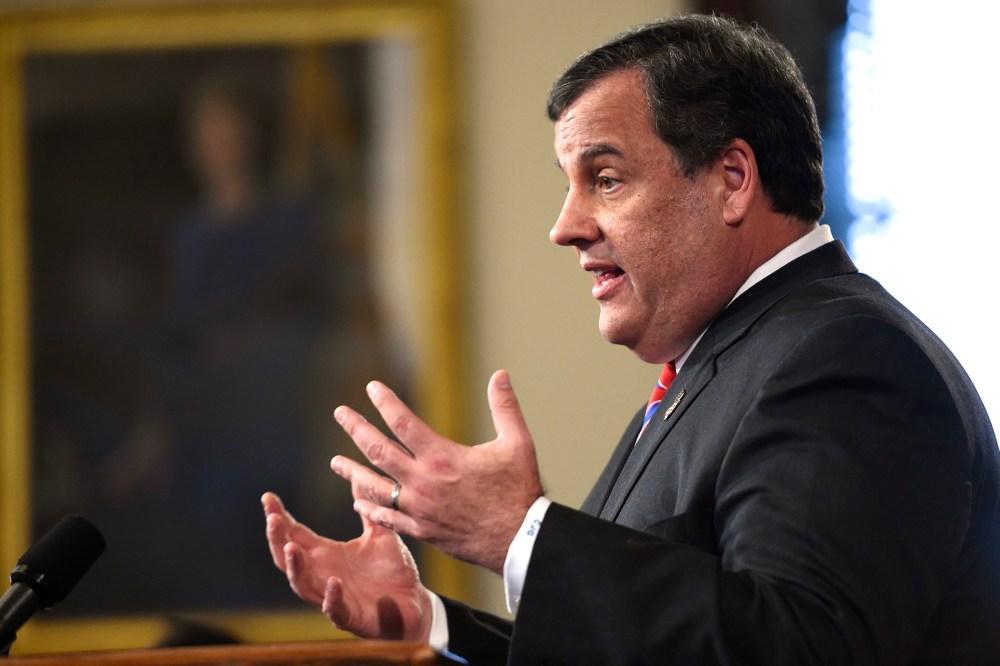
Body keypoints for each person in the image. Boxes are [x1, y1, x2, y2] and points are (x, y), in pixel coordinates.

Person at [263, 13, 1000, 665]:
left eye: (606, 179)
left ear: (732, 178)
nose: (565, 226)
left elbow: (793, 646)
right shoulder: (722, 365)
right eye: (568, 183)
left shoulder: (844, 359)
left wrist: (520, 534)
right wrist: (431, 626)